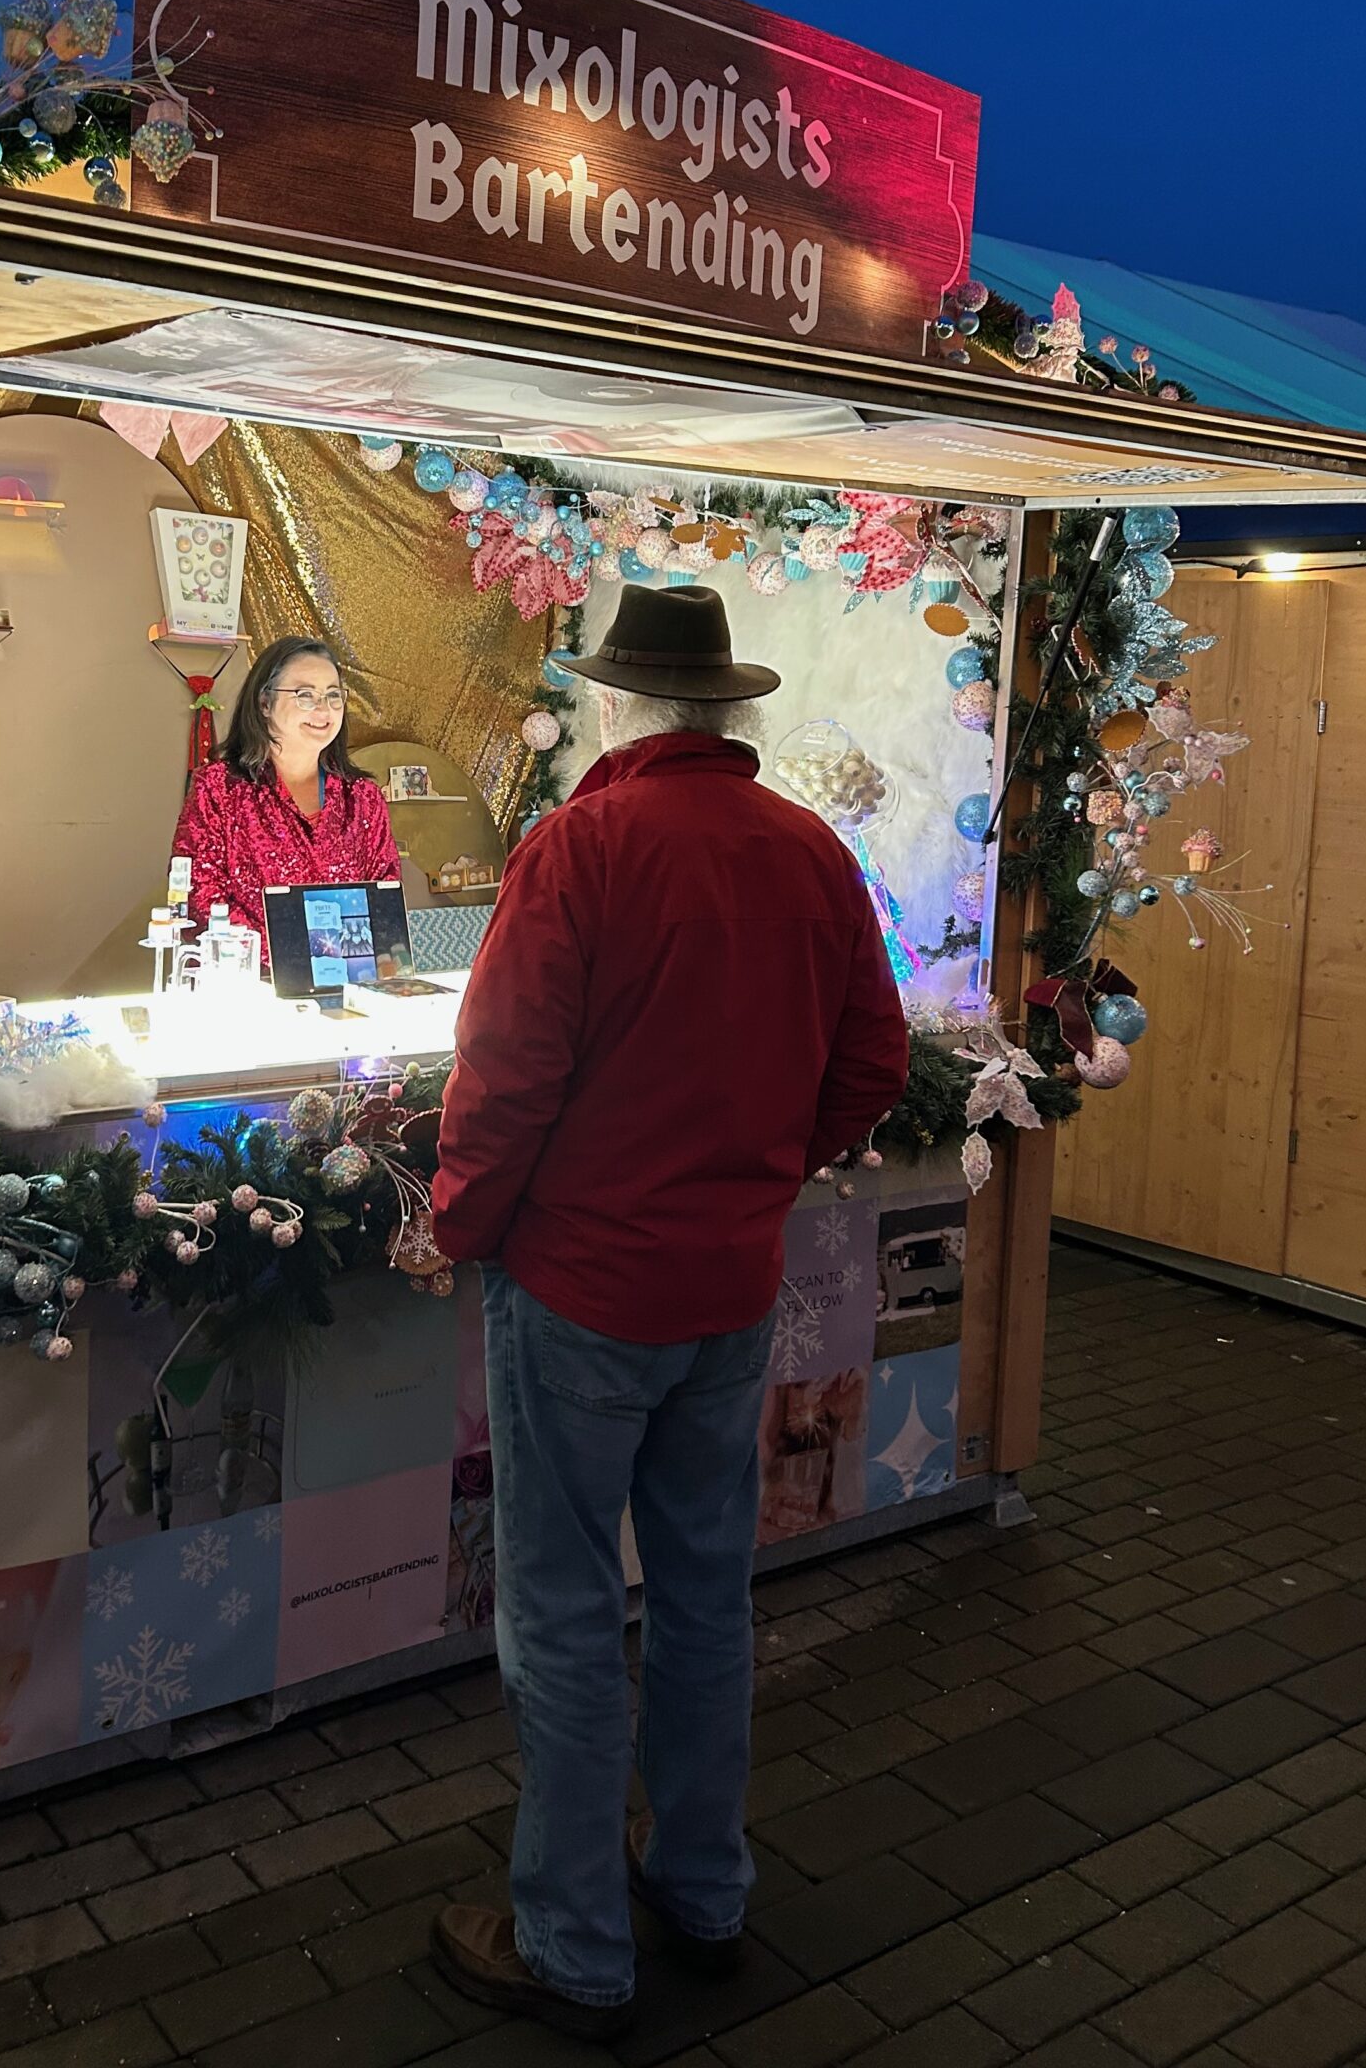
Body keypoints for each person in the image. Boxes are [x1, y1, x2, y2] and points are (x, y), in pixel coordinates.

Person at [426, 582, 911, 2040]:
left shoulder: (581, 845)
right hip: (728, 1283)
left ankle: (573, 1945)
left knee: (565, 1618)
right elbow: (872, 1061)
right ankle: (702, 1888)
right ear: (723, 708)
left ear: (621, 708)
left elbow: (504, 1075)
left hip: (580, 1287)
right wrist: (766, 1164)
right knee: (708, 1597)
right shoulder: (812, 849)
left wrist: (461, 1225)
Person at [169, 636, 400, 964]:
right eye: (305, 695)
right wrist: (300, 958)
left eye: (333, 695)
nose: (324, 709)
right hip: (247, 988)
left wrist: (335, 962)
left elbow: (384, 904)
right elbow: (200, 905)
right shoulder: (218, 789)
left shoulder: (364, 798)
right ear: (265, 703)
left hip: (351, 989)